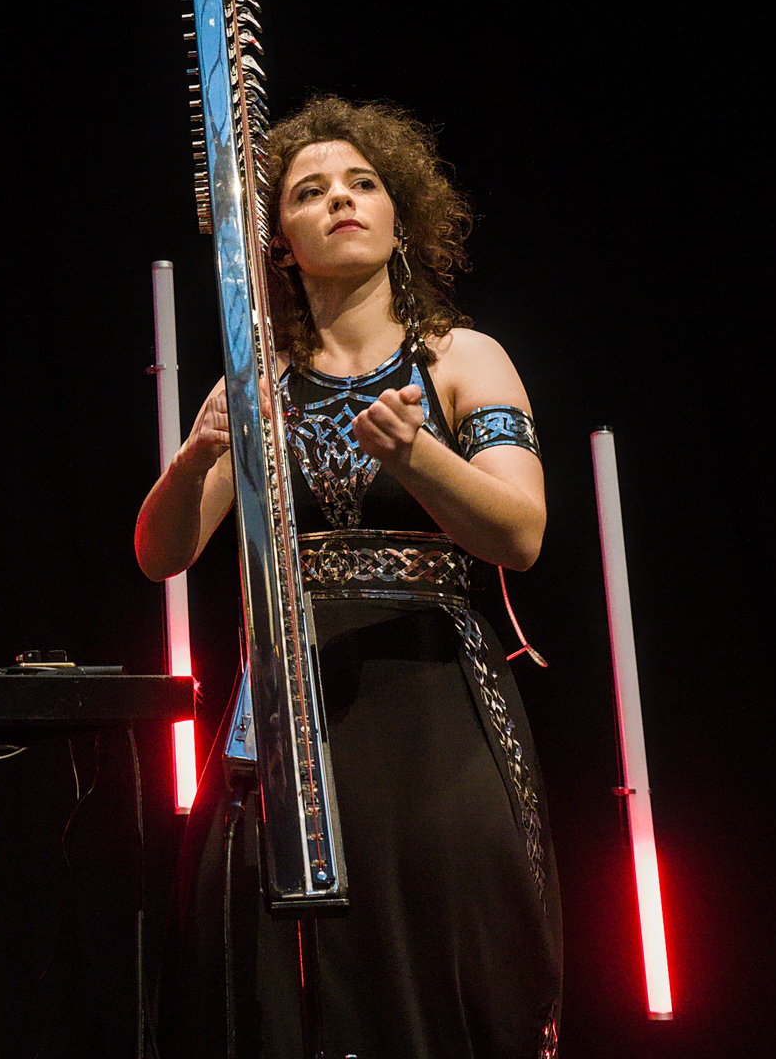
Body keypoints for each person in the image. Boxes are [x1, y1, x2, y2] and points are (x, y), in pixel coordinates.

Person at [137, 96, 561, 1059]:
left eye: (363, 184)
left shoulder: (463, 359)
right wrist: (194, 460)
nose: (340, 200)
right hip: (290, 710)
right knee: (277, 974)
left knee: (445, 952)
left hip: (436, 709)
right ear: (279, 244)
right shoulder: (257, 381)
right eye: (310, 191)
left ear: (399, 217)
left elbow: (521, 533)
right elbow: (161, 555)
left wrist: (418, 456)